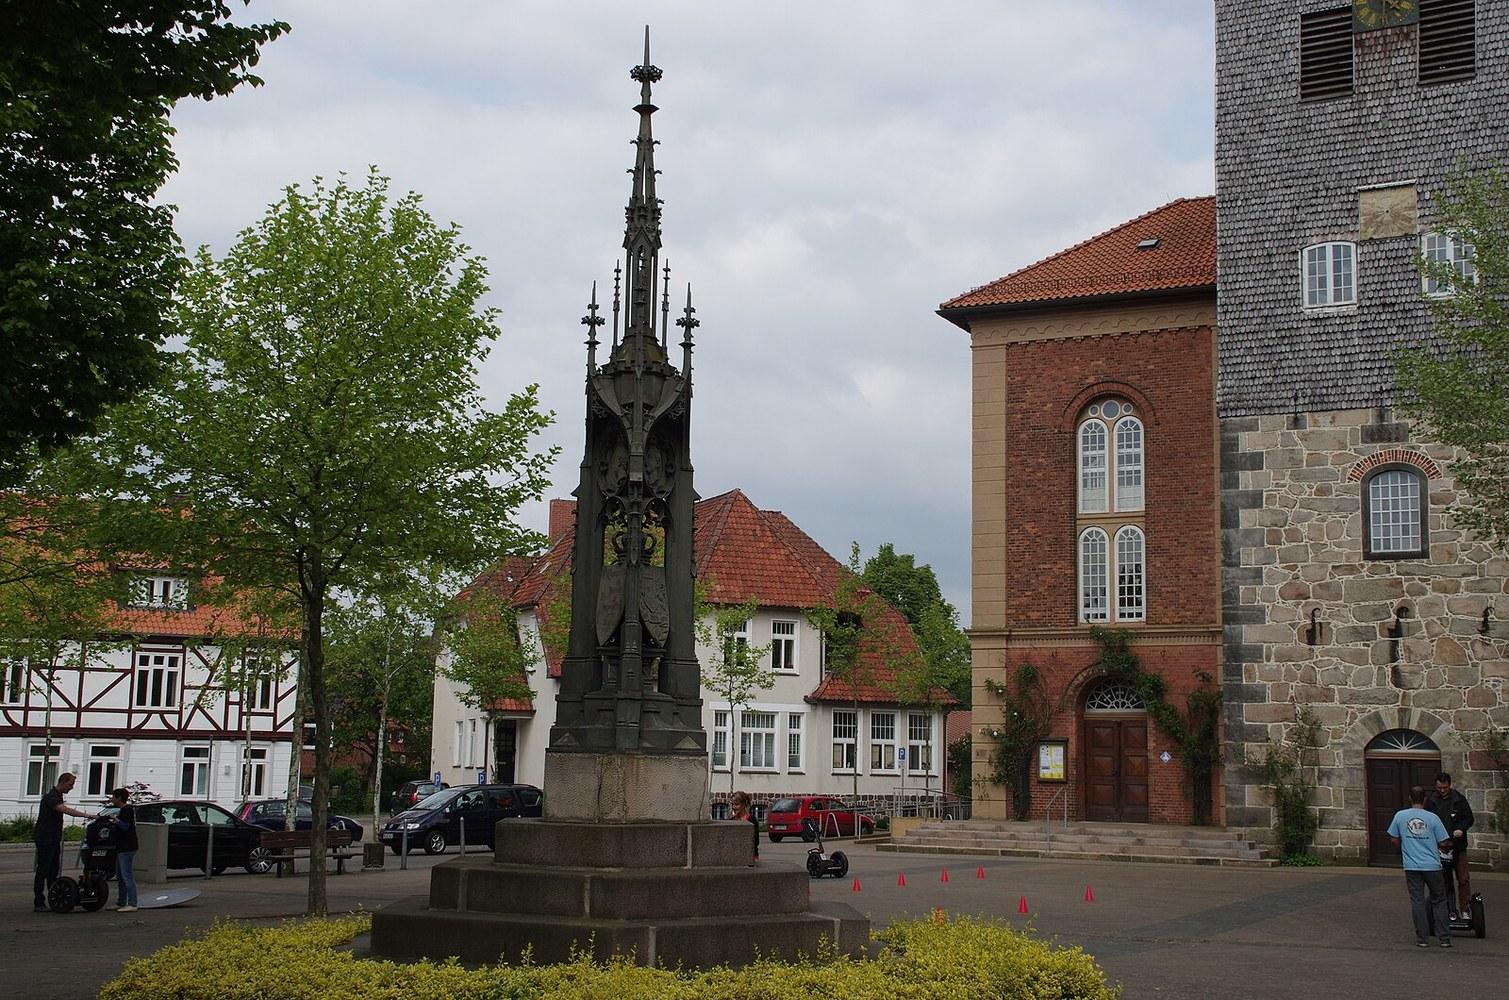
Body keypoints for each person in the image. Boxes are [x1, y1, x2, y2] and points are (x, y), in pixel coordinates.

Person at [1387, 785, 1453, 948]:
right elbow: (1443, 842)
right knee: (1439, 900)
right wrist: (1443, 847)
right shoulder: (1433, 818)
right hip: (1432, 865)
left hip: (1412, 865)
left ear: (1410, 798)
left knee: (1417, 901)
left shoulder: (1400, 816)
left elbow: (1394, 839)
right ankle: (1444, 937)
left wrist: (1401, 850)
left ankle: (1422, 938)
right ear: (1425, 799)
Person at [33, 772, 99, 912]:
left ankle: (52, 897)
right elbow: (64, 810)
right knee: (43, 868)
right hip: (45, 837)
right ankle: (39, 901)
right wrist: (86, 815)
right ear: (62, 782)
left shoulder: (57, 796)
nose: (71, 787)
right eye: (70, 784)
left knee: (53, 869)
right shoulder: (51, 797)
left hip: (53, 837)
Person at [1426, 771, 1474, 918]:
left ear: (1449, 785)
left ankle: (1465, 909)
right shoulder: (1431, 801)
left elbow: (1469, 818)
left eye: (1444, 788)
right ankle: (1447, 909)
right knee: (1444, 880)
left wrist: (1461, 828)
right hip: (1440, 847)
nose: (1442, 790)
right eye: (1439, 788)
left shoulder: (1459, 799)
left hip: (1458, 846)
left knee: (1463, 878)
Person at [109, 787, 139, 913]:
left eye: (113, 797)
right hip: (122, 847)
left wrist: (116, 821)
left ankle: (132, 903)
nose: (112, 799)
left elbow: (125, 826)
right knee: (120, 875)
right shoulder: (124, 810)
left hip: (127, 847)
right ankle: (121, 902)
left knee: (127, 875)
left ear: (119, 798)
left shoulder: (126, 810)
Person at [729, 790, 758, 865]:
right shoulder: (731, 820)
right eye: (732, 804)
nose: (734, 807)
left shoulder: (751, 820)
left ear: (744, 804)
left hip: (749, 856)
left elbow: (755, 841)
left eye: (736, 804)